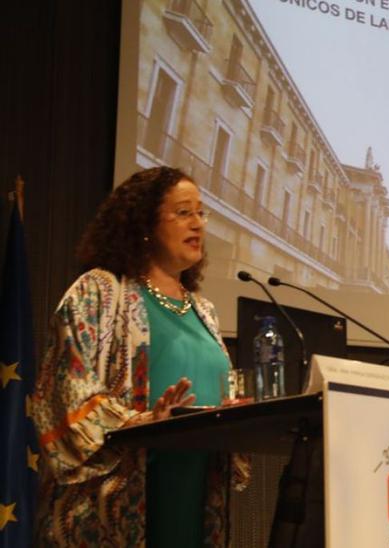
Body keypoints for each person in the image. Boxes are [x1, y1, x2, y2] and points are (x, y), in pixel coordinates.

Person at [30, 167, 247, 546]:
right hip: (115, 499)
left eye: (201, 213)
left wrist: (235, 414)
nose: (198, 223)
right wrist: (145, 422)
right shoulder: (98, 291)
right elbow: (64, 392)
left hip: (194, 490)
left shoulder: (205, 311)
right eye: (183, 212)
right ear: (144, 223)